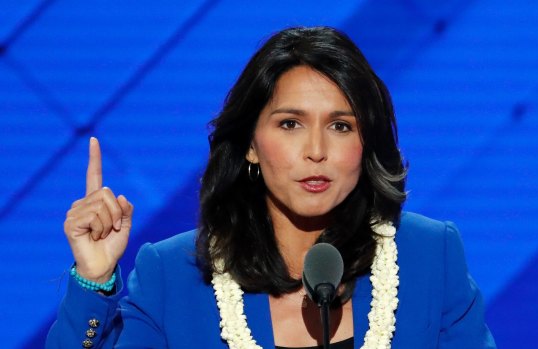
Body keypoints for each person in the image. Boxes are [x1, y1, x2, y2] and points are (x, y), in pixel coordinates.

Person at [46, 26, 496, 349]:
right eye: (290, 124)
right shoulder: (173, 275)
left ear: (366, 143)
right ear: (251, 145)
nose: (316, 150)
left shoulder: (429, 255)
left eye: (340, 126)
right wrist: (94, 277)